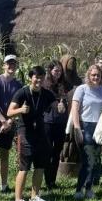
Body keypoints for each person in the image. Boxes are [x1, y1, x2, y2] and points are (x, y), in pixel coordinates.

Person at [7, 65, 55, 201]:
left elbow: (56, 102)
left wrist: (61, 106)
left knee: (40, 166)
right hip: (25, 133)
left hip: (40, 132)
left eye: (41, 77)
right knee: (24, 167)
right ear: (30, 78)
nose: (38, 80)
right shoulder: (22, 93)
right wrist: (21, 110)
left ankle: (34, 197)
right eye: (36, 77)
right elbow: (9, 112)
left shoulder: (46, 93)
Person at [71, 65, 102, 200]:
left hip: (99, 128)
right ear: (88, 75)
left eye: (98, 75)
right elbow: (74, 110)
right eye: (93, 75)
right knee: (88, 160)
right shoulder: (81, 89)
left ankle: (89, 189)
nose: (95, 78)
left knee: (95, 160)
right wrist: (77, 128)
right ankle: (78, 190)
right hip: (85, 126)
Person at [0, 54, 23, 194]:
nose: (11, 66)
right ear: (3, 65)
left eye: (14, 64)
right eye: (8, 63)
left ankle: (10, 185)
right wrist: (2, 120)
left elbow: (20, 105)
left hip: (12, 123)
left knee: (11, 154)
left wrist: (10, 121)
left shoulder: (18, 85)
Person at [42, 60, 67, 189]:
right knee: (47, 151)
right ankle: (47, 180)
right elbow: (44, 103)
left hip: (60, 122)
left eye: (60, 71)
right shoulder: (45, 85)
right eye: (55, 70)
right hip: (48, 122)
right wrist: (56, 104)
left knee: (57, 152)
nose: (58, 73)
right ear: (50, 71)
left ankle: (52, 180)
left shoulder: (61, 85)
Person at [59, 55, 82, 176]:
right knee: (64, 142)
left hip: (74, 115)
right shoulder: (60, 81)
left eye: (73, 63)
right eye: (69, 63)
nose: (71, 66)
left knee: (73, 142)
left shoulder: (78, 81)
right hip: (62, 116)